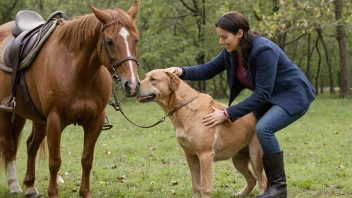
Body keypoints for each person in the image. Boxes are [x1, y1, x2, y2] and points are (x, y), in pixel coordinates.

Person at [165, 11, 315, 198]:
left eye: (224, 37)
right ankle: (263, 184)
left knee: (264, 128)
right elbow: (208, 69)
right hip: (270, 97)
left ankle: (278, 188)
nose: (221, 41)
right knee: (249, 127)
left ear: (240, 33)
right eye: (219, 37)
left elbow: (261, 93)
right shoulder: (232, 51)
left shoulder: (263, 51)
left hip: (293, 95)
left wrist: (227, 113)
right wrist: (182, 71)